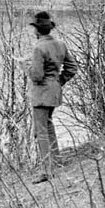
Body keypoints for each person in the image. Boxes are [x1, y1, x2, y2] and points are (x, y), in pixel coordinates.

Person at [27, 11, 77, 183]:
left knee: (40, 131)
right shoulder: (60, 44)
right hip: (54, 91)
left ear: (37, 31)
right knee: (48, 126)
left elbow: (37, 76)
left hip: (41, 93)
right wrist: (58, 82)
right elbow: (72, 68)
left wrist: (25, 67)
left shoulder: (39, 48)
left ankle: (47, 171)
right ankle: (55, 162)